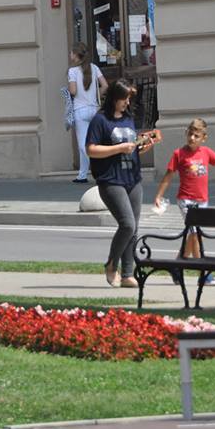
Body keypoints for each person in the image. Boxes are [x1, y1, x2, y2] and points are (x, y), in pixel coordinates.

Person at [86, 78, 157, 288]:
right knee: (127, 224)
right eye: (124, 98)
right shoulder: (100, 120)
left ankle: (127, 274)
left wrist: (142, 147)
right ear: (114, 98)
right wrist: (119, 148)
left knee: (134, 229)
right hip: (111, 180)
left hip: (132, 178)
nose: (127, 103)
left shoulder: (128, 119)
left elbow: (130, 148)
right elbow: (91, 149)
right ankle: (111, 264)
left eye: (129, 99)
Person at [154, 118, 215, 286]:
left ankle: (177, 267)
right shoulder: (179, 154)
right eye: (190, 134)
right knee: (196, 234)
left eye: (196, 136)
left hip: (202, 201)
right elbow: (168, 176)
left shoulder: (206, 152)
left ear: (203, 138)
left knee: (193, 235)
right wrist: (158, 196)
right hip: (186, 200)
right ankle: (203, 273)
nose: (192, 138)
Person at [67, 42, 107, 183]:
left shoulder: (72, 71)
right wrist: (96, 96)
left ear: (76, 55)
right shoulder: (94, 68)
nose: (70, 55)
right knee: (92, 141)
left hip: (80, 110)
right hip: (94, 109)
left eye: (71, 52)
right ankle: (82, 175)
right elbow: (105, 85)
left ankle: (101, 169)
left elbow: (73, 91)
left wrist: (68, 88)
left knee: (83, 145)